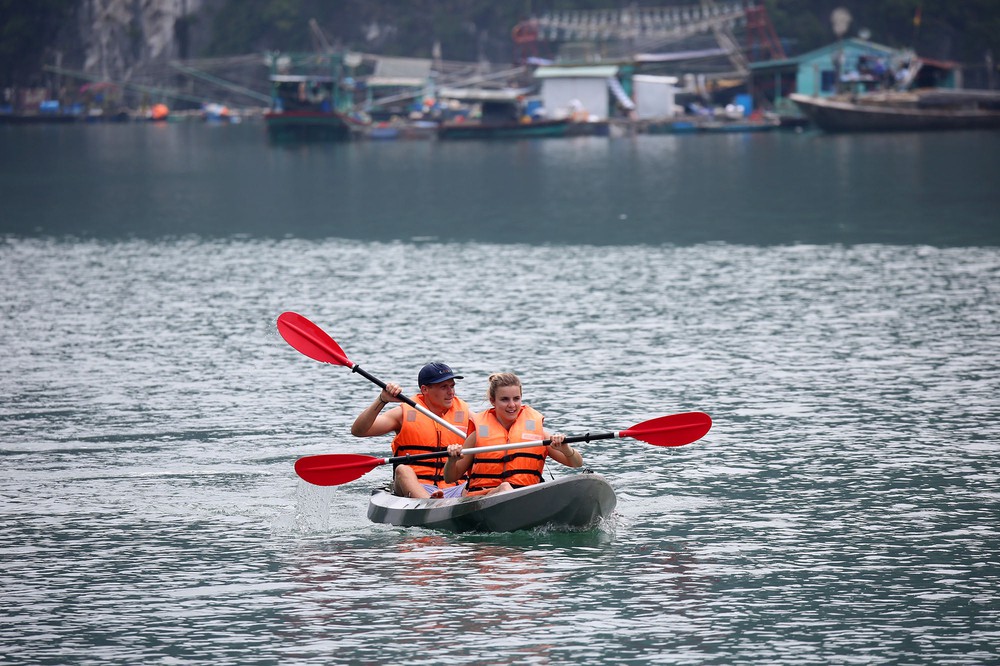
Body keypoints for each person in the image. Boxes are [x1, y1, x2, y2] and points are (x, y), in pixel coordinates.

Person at [442, 372, 583, 496]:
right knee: (504, 487)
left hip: (525, 496)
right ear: (493, 401)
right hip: (484, 498)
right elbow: (450, 478)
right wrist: (452, 460)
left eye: (516, 399)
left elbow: (577, 463)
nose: (512, 405)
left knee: (508, 489)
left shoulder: (539, 434)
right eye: (504, 399)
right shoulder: (478, 435)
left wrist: (566, 448)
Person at [351, 362, 472, 499]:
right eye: (444, 387)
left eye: (452, 386)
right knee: (402, 470)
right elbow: (359, 430)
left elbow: (488, 433)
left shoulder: (466, 414)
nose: (451, 392)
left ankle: (443, 503)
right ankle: (430, 503)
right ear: (425, 389)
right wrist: (382, 400)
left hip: (456, 487)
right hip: (416, 487)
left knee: (479, 481)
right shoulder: (404, 413)